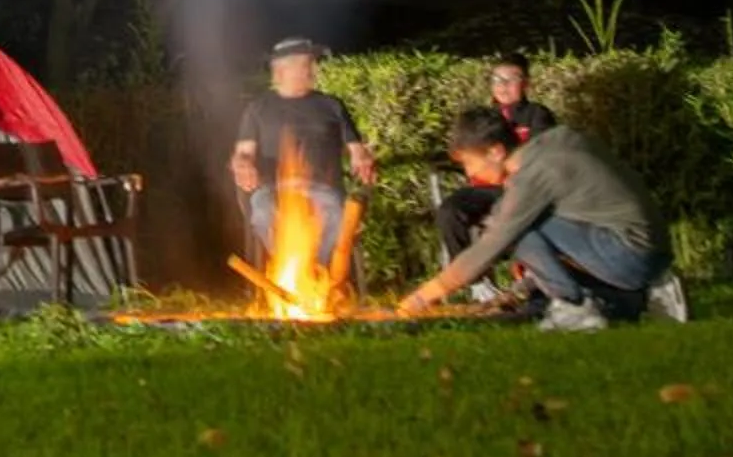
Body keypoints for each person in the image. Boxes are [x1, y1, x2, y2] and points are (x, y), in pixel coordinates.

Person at [396, 105, 689, 330]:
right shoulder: (555, 141)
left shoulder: (533, 177)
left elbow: (489, 247)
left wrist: (423, 296)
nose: (470, 175)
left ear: (496, 152)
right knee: (520, 218)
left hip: (630, 254)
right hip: (647, 248)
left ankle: (573, 307)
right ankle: (649, 294)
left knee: (511, 224)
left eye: (471, 164)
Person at [230, 37, 376, 275]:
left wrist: (362, 158)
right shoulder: (258, 108)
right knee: (262, 209)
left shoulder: (331, 105)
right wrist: (242, 165)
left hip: (323, 189)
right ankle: (290, 269)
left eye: (312, 63)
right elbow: (243, 154)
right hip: (274, 190)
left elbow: (356, 149)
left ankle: (312, 273)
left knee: (334, 212)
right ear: (282, 70)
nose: (313, 69)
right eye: (306, 64)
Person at [432, 55, 552, 273]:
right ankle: (472, 278)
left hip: (520, 186)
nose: (503, 86)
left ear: (526, 83)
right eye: (497, 80)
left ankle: (532, 279)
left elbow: (541, 152)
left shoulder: (537, 115)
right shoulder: (482, 118)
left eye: (511, 80)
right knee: (450, 211)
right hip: (485, 187)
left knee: (516, 218)